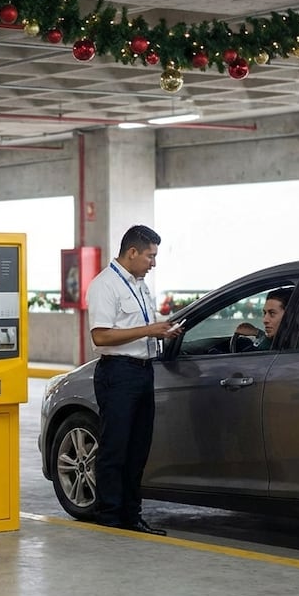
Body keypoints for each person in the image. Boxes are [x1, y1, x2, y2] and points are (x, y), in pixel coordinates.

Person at [87, 224, 182, 536]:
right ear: (132, 252)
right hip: (118, 373)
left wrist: (162, 330)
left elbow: (139, 326)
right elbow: (101, 336)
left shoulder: (140, 285)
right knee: (115, 447)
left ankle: (132, 515)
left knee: (138, 448)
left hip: (143, 371)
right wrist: (148, 330)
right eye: (150, 256)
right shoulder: (105, 285)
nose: (153, 263)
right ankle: (109, 516)